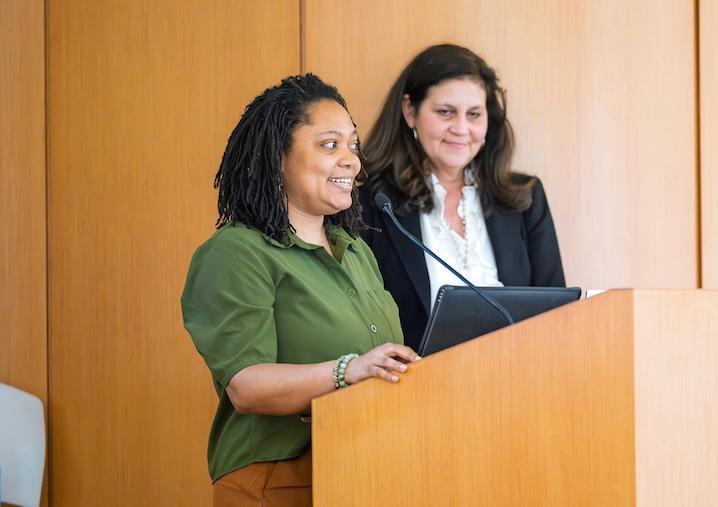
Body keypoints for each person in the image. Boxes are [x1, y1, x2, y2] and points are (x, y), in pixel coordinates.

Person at [181, 74, 419, 506]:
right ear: (277, 157)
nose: (351, 162)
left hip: (364, 470)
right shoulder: (237, 252)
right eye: (330, 145)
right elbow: (246, 386)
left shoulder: (357, 252)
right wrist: (349, 370)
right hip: (278, 479)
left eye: (353, 146)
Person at [360, 44, 565, 349]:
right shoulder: (373, 204)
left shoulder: (526, 197)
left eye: (474, 114)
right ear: (410, 111)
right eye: (445, 112)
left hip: (518, 371)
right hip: (416, 376)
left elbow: (557, 313)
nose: (461, 128)